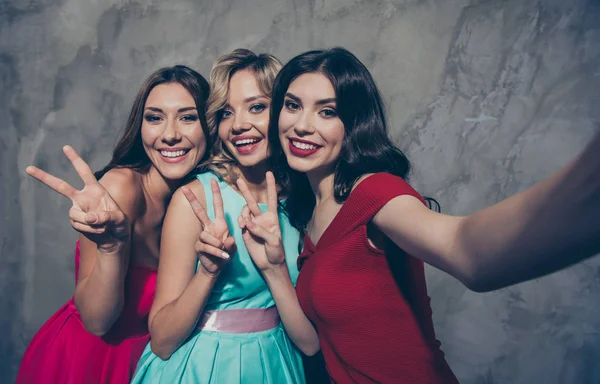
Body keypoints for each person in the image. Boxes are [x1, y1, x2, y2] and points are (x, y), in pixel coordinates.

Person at [237, 47, 600, 383]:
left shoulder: (374, 191)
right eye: (292, 105)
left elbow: (465, 248)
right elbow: (314, 344)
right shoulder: (307, 216)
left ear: (354, 124)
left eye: (327, 111)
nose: (302, 124)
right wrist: (273, 267)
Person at [17, 65, 211, 384]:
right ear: (140, 126)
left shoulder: (204, 198)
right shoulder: (121, 189)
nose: (170, 133)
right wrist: (111, 248)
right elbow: (97, 321)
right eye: (155, 117)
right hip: (87, 361)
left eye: (188, 117)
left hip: (153, 362)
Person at [132, 49, 308, 383]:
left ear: (286, 112)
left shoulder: (303, 200)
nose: (239, 124)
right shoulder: (195, 198)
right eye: (226, 113)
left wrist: (275, 269)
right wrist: (208, 272)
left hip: (277, 366)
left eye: (256, 107)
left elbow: (312, 338)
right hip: (201, 368)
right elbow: (163, 340)